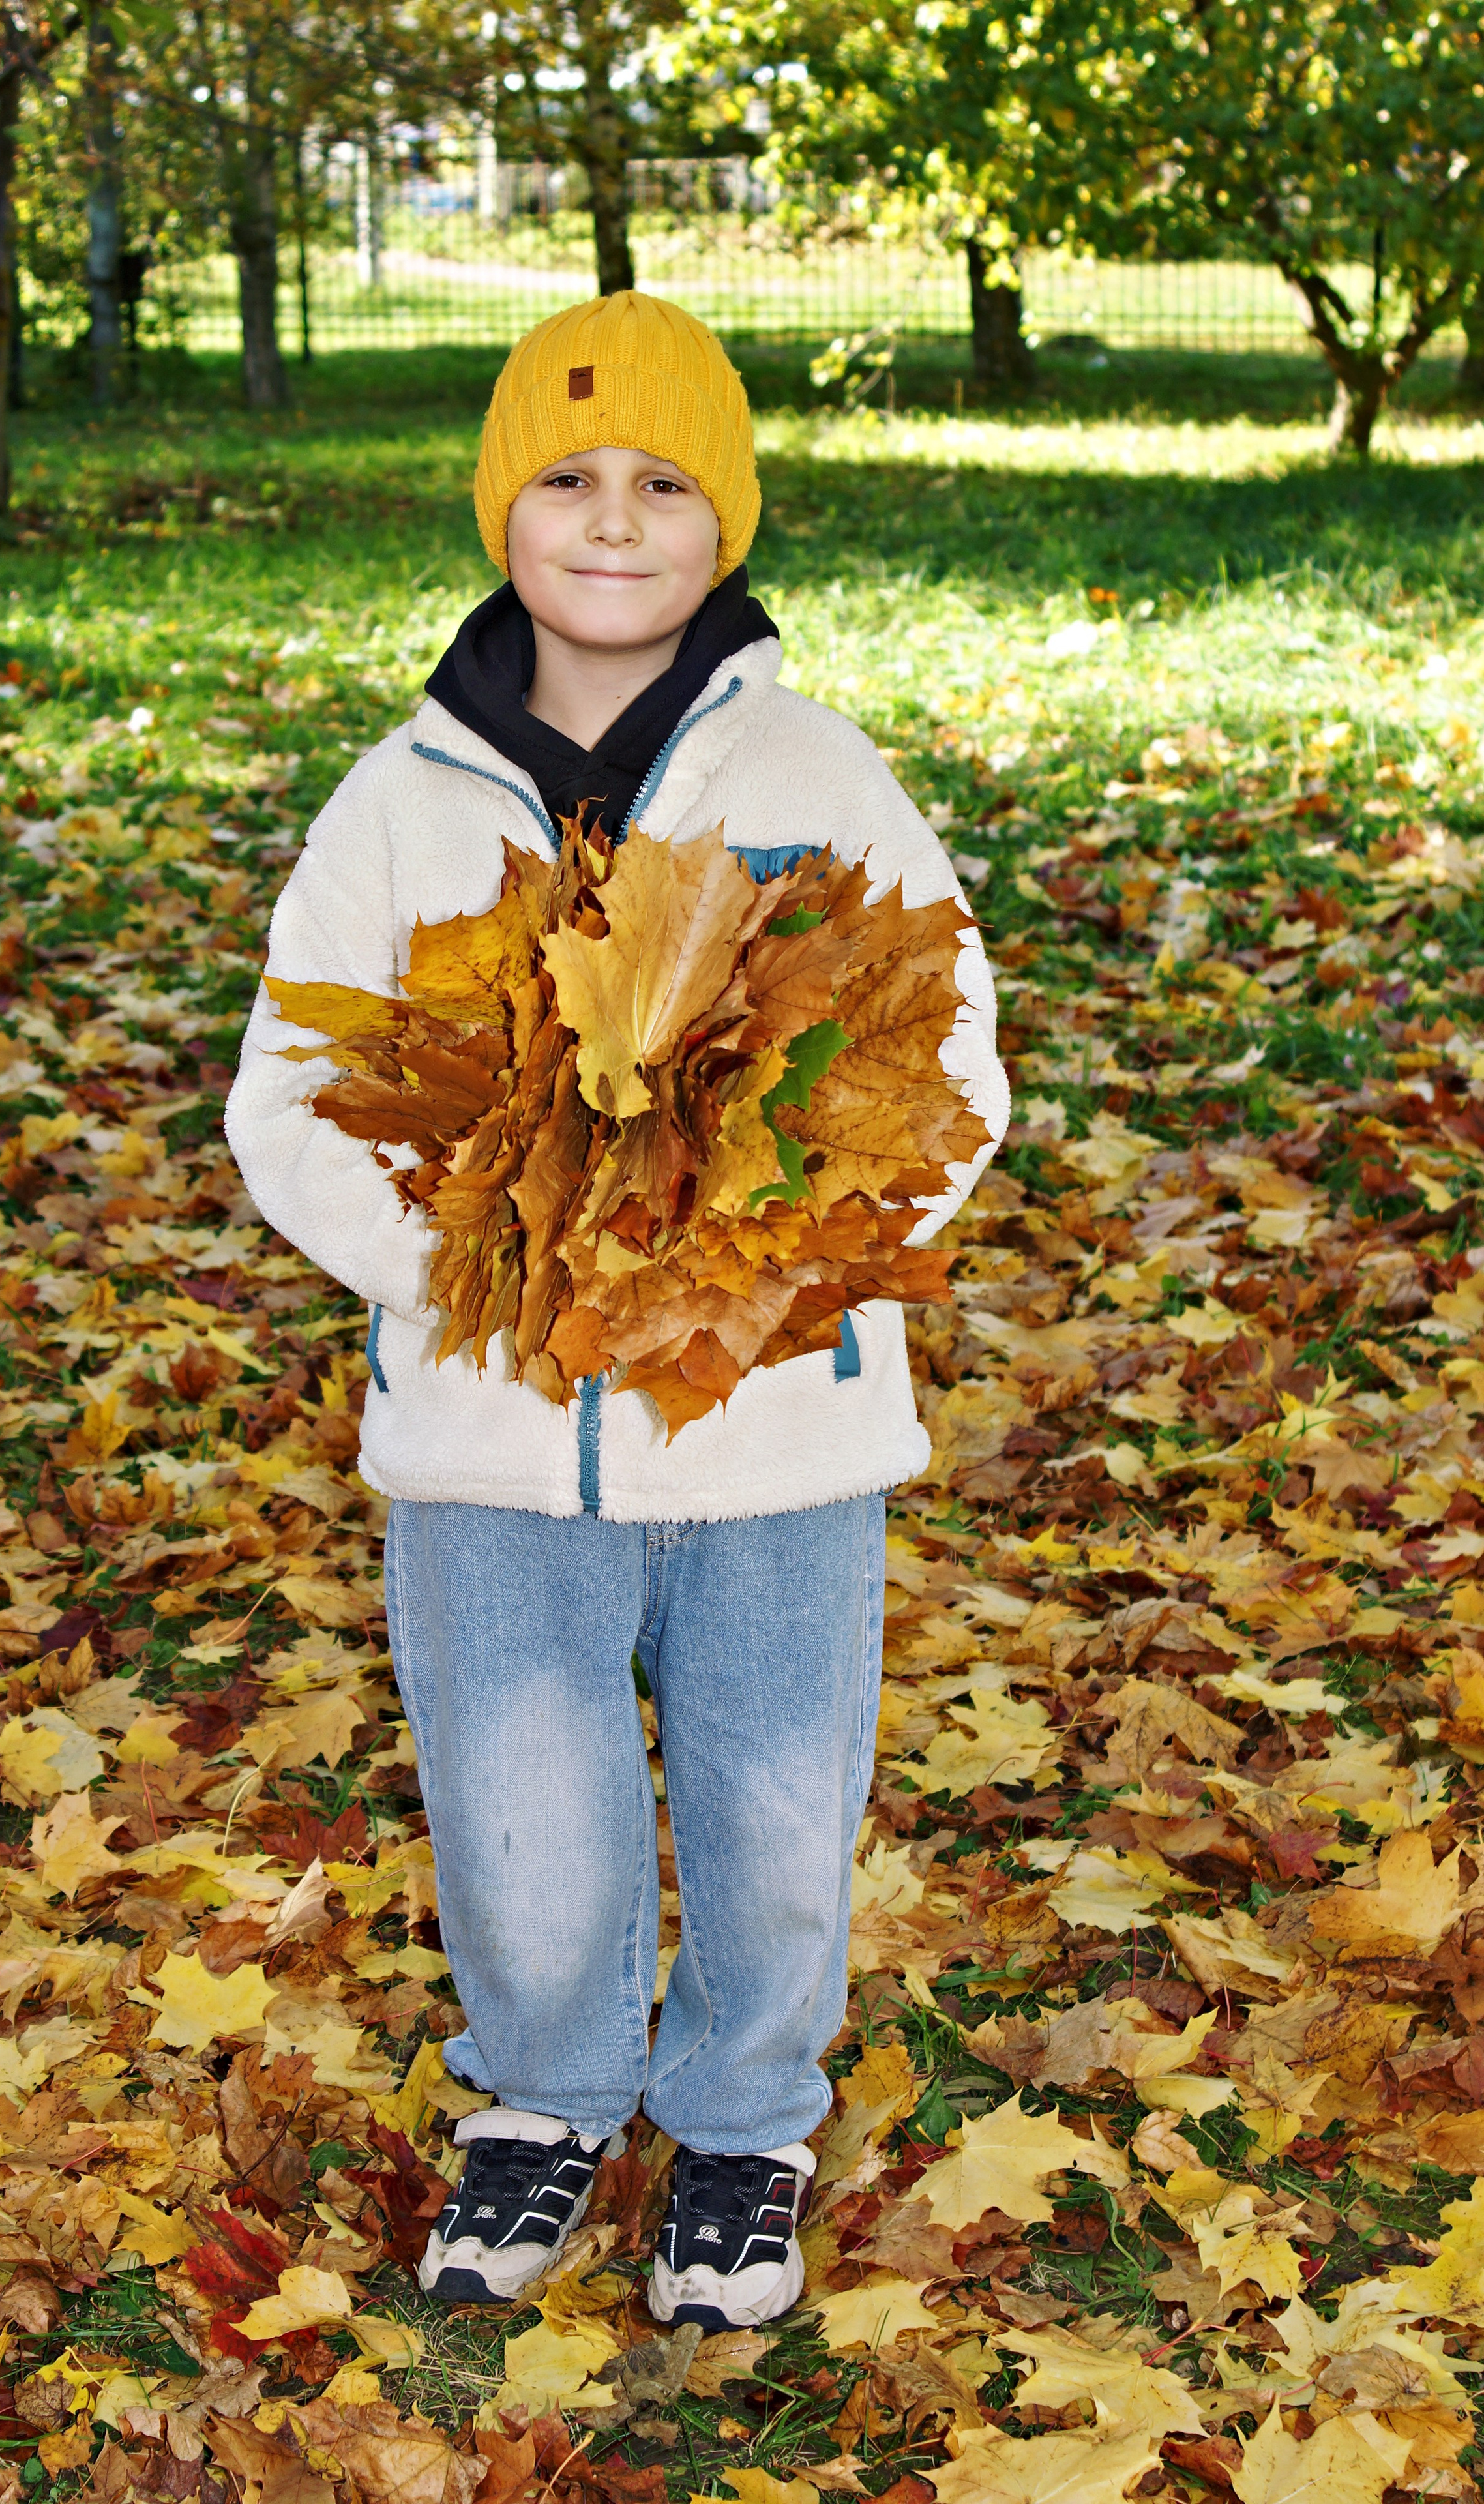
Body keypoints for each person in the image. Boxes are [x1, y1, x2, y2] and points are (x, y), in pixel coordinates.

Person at [225, 290, 1008, 2331]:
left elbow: (952, 1069)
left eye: (665, 483)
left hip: (774, 1429)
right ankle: (545, 2100)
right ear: (504, 511)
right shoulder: (398, 805)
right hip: (490, 1429)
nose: (612, 519)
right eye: (567, 478)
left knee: (770, 1791)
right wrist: (477, 1268)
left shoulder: (818, 773)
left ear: (724, 523)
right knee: (519, 1795)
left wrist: (764, 1267)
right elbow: (294, 1102)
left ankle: (745, 2119)